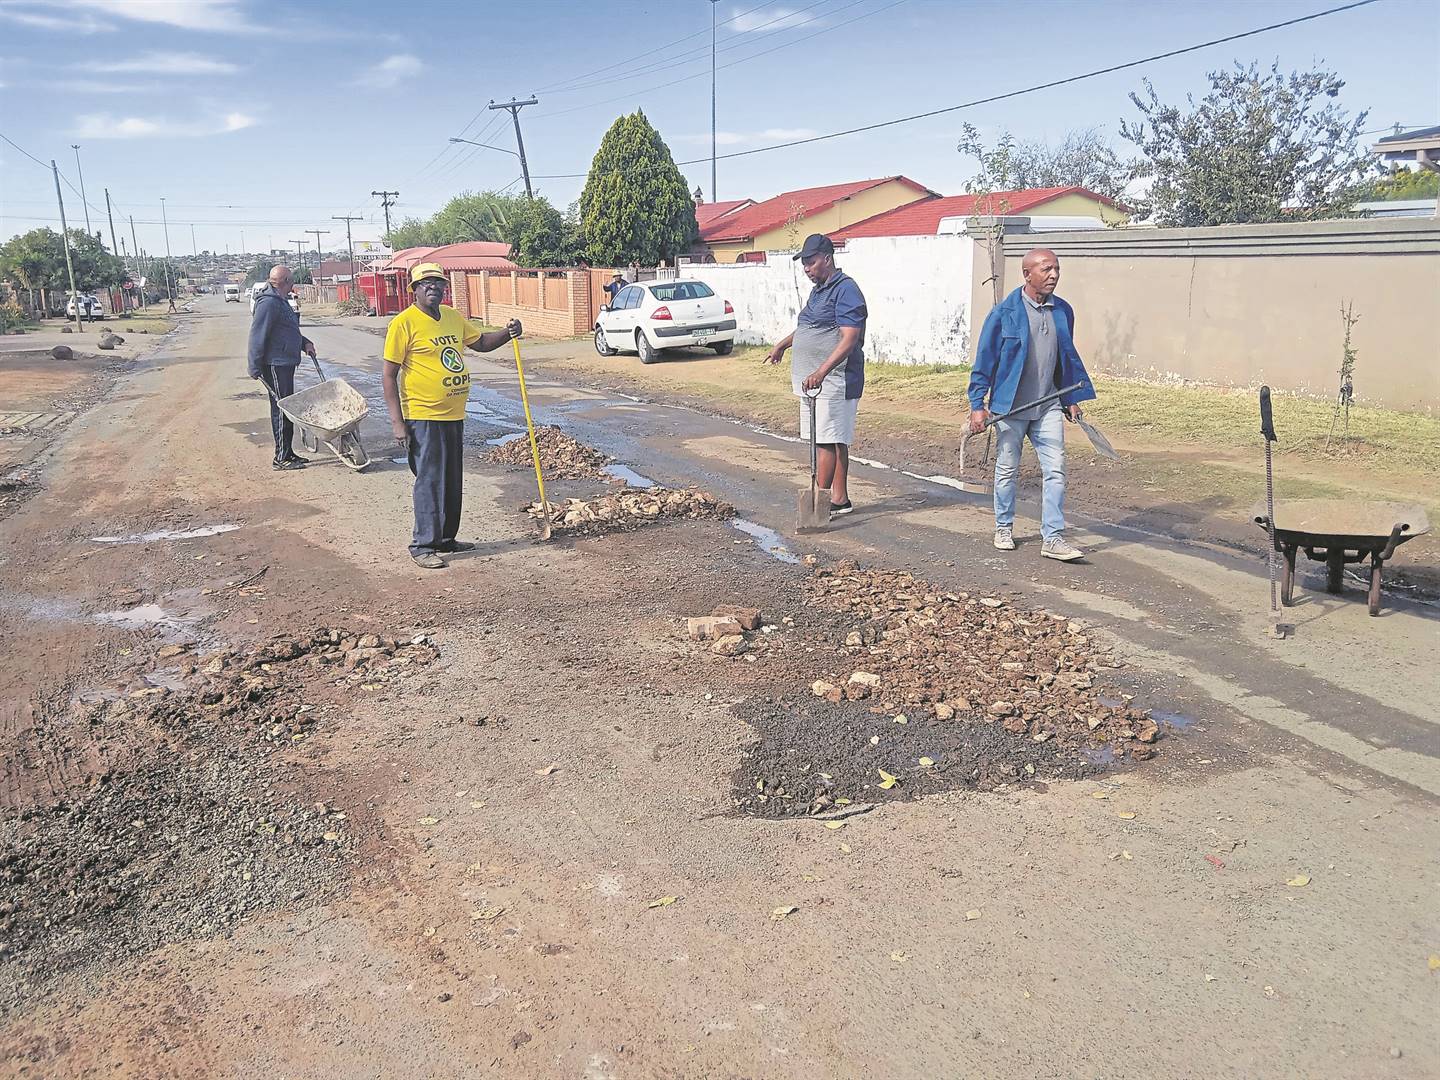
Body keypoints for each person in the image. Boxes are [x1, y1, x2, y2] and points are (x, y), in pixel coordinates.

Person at [382, 263, 522, 569]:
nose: (433, 287)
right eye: (426, 283)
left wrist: (508, 333)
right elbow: (389, 376)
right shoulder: (403, 323)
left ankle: (446, 538)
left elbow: (481, 343)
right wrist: (397, 422)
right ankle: (423, 545)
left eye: (438, 282)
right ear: (414, 289)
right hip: (423, 414)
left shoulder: (452, 317)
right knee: (430, 480)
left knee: (451, 479)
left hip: (453, 414)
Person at [967, 247, 1096, 562]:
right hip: (1010, 408)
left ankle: (1053, 538)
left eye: (1056, 269)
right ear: (1027, 274)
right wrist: (977, 404)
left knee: (1056, 470)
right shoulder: (1003, 313)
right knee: (1007, 469)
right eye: (1046, 269)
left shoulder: (1063, 311)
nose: (1054, 275)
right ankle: (1003, 527)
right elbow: (984, 362)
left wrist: (1070, 399)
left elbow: (1064, 358)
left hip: (1047, 405)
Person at [764, 233, 867, 515]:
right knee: (834, 438)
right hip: (815, 382)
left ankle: (817, 505)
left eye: (811, 262)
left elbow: (850, 338)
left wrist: (821, 372)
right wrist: (782, 345)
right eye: (804, 264)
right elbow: (809, 328)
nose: (807, 269)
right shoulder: (819, 291)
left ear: (827, 259)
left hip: (835, 380)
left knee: (825, 441)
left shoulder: (846, 290)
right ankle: (839, 500)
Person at [247, 264, 317, 471]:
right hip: (275, 364)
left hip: (284, 362)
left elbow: (287, 330)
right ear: (285, 281)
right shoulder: (268, 303)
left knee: (287, 408)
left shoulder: (280, 300)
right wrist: (254, 365)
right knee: (282, 409)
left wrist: (305, 343)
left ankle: (288, 452)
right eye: (292, 280)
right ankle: (281, 458)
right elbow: (257, 334)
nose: (293, 283)